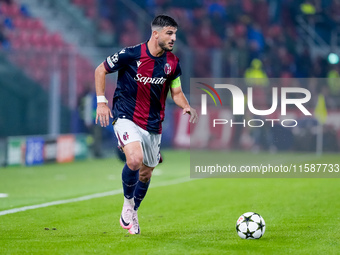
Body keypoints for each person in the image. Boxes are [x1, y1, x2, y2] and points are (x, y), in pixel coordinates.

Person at [94, 14, 198, 235]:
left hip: (153, 124)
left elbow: (176, 92)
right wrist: (101, 102)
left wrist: (186, 106)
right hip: (126, 116)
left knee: (146, 174)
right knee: (134, 159)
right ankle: (127, 204)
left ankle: (134, 210)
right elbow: (100, 69)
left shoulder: (173, 63)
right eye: (169, 33)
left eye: (175, 34)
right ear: (156, 33)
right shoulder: (131, 54)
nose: (173, 38)